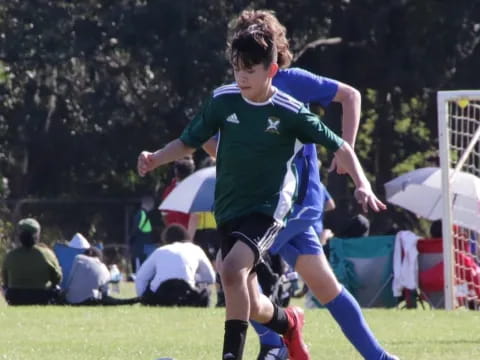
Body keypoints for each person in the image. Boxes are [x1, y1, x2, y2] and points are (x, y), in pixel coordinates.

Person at [137, 24, 386, 360]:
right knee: (254, 296)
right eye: (236, 67)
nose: (241, 75)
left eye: (249, 68)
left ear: (271, 65)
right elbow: (194, 141)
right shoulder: (224, 99)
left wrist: (362, 183)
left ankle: (247, 352)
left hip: (278, 207)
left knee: (231, 268)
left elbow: (340, 140)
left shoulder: (290, 99)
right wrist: (156, 158)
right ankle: (287, 325)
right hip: (232, 207)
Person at [199, 10, 398, 360]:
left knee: (240, 272)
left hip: (296, 203)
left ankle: (288, 344)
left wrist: (344, 151)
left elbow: (350, 96)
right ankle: (283, 338)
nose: (245, 63)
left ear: (273, 53)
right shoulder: (237, 95)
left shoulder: (291, 82)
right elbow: (205, 138)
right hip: (255, 203)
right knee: (245, 277)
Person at [135, 224, 215, 307]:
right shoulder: (196, 249)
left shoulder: (160, 251)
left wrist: (143, 299)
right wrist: (195, 277)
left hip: (160, 296)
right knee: (205, 288)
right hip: (186, 295)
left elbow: (141, 277)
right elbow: (210, 278)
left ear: (165, 239)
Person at [1, 218, 63, 305]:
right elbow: (57, 278)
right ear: (37, 235)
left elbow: (5, 280)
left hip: (15, 298)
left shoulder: (10, 256)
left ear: (19, 236)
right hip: (42, 297)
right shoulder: (47, 254)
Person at [64, 246, 139, 305]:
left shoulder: (78, 258)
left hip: (72, 300)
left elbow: (69, 281)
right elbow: (105, 293)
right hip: (91, 300)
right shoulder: (104, 269)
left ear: (89, 253)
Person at [160, 157, 195, 229]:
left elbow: (164, 214)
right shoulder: (195, 189)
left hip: (177, 231)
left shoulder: (169, 190)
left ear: (176, 172)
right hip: (191, 231)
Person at [129, 195, 155, 274]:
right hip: (141, 247)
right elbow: (135, 230)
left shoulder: (145, 215)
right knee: (141, 267)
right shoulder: (141, 214)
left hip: (146, 246)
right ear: (150, 204)